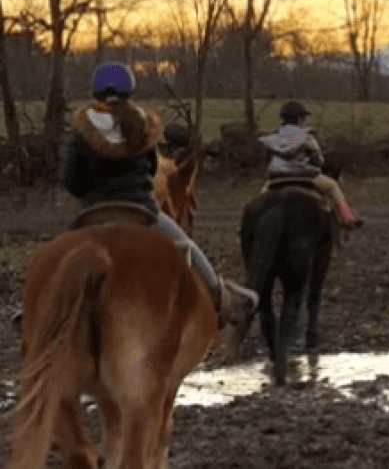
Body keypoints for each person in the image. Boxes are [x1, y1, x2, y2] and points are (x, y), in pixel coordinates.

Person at [60, 62, 258, 327]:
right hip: (141, 212)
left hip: (93, 216)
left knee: (57, 260)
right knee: (187, 246)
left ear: (95, 93)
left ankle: (36, 312)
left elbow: (71, 182)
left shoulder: (81, 133)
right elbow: (152, 171)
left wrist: (91, 195)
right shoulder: (142, 126)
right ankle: (220, 298)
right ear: (130, 92)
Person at [259, 100, 363, 229]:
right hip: (305, 176)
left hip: (277, 177)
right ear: (299, 119)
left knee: (261, 199)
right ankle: (347, 217)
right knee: (333, 186)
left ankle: (252, 223)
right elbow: (319, 160)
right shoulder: (306, 137)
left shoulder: (272, 138)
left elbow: (267, 158)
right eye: (304, 118)